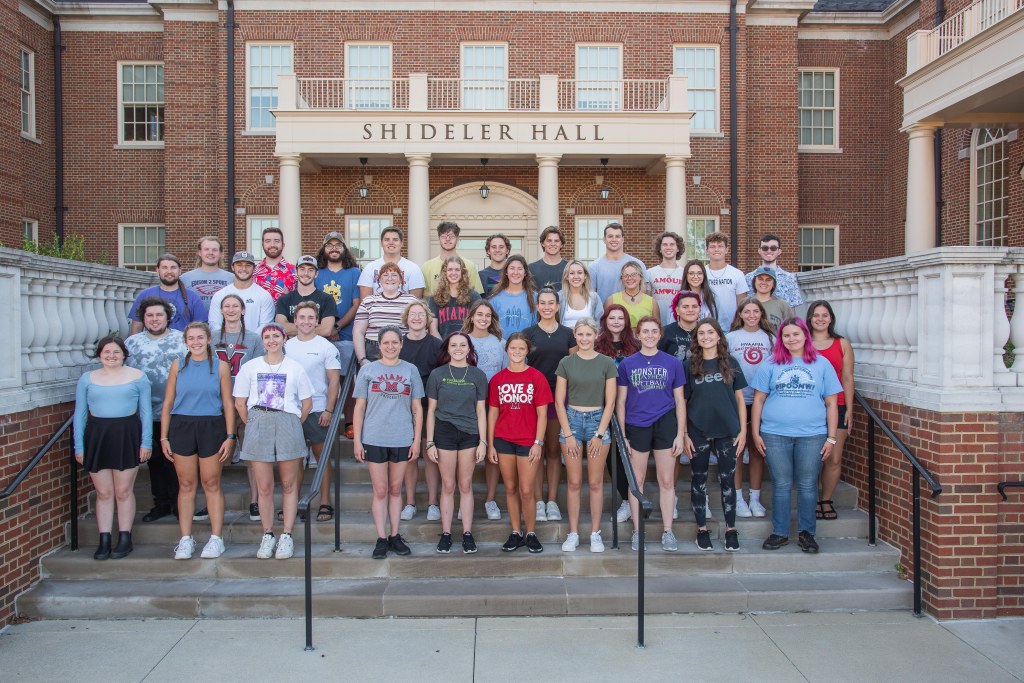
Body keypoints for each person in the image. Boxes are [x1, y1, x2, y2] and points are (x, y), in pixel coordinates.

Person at [751, 317, 842, 554]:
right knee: (781, 484)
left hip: (812, 435)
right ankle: (780, 532)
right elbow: (758, 399)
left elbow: (832, 403)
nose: (791, 339)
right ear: (781, 339)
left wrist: (832, 437)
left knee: (807, 484)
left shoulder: (821, 364)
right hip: (774, 434)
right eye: (786, 335)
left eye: (796, 334)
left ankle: (806, 533)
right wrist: (755, 432)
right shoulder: (770, 364)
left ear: (805, 336)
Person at [233, 323, 314, 560]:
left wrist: (293, 422)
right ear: (262, 341)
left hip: (288, 420)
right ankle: (267, 534)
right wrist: (254, 423)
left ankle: (286, 535)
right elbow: (240, 402)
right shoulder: (250, 367)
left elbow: (306, 402)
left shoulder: (295, 367)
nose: (271, 340)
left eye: (276, 336)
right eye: (267, 337)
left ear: (283, 339)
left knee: (289, 484)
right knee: (264, 486)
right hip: (258, 420)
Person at [160, 322, 234, 560]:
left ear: (209, 339)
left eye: (200, 337)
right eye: (191, 338)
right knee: (186, 484)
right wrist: (164, 436)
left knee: (211, 482)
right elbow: (168, 403)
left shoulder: (221, 367)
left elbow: (228, 404)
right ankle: (185, 539)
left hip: (211, 425)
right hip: (182, 426)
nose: (196, 342)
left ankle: (216, 538)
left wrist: (230, 435)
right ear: (186, 341)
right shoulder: (177, 366)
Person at [74, 336, 152, 560]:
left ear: (124, 354)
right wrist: (80, 446)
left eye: (116, 352)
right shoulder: (87, 379)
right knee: (104, 492)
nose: (111, 356)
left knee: (123, 490)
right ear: (99, 355)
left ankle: (125, 537)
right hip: (97, 435)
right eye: (106, 352)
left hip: (127, 433)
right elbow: (79, 415)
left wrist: (146, 443)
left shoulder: (138, 377)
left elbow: (145, 413)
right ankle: (104, 538)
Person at [616, 316, 690, 552]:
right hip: (637, 424)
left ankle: (668, 531)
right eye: (645, 331)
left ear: (660, 335)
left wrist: (680, 433)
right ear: (638, 335)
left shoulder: (672, 363)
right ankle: (638, 531)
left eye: (653, 331)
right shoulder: (628, 363)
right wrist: (623, 435)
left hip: (665, 422)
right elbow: (621, 401)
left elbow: (680, 400)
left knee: (666, 480)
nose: (649, 335)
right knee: (636, 480)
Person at [352, 326, 424, 559]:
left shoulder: (410, 370)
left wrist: (416, 440)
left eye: (395, 342)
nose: (391, 346)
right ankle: (381, 537)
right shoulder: (368, 371)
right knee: (381, 489)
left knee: (395, 488)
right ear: (379, 345)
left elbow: (417, 409)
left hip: (402, 436)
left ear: (401, 344)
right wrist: (357, 441)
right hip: (374, 436)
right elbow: (360, 407)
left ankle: (395, 535)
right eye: (386, 343)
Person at [684, 318, 747, 552]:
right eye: (701, 333)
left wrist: (743, 431)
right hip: (698, 430)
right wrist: (683, 433)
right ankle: (702, 529)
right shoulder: (688, 365)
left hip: (728, 430)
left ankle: (731, 529)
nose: (706, 336)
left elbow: (740, 400)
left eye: (711, 332)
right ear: (696, 338)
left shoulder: (731, 363)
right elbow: (683, 400)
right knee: (698, 479)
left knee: (727, 480)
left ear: (719, 336)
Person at [554, 318, 616, 553]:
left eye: (588, 335)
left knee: (595, 482)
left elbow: (610, 402)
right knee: (574, 482)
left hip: (597, 422)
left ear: (596, 336)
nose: (584, 339)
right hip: (571, 420)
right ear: (576, 336)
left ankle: (595, 533)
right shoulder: (566, 362)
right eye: (580, 335)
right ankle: (573, 533)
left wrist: (600, 434)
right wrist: (568, 434)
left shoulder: (606, 362)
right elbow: (559, 402)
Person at [488, 332, 552, 554]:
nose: (516, 352)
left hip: (528, 440)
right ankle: (516, 532)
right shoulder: (497, 379)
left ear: (527, 351)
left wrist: (538, 442)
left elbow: (542, 415)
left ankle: (531, 533)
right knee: (511, 487)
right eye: (513, 348)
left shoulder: (537, 377)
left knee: (526, 489)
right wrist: (490, 443)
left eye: (521, 349)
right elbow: (493, 414)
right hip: (504, 439)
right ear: (507, 351)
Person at [425, 332, 488, 554]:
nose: (458, 348)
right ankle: (446, 533)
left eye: (463, 345)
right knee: (448, 485)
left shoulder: (478, 375)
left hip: (470, 432)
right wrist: (430, 442)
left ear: (469, 349)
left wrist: (483, 441)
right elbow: (431, 411)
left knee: (465, 484)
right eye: (454, 345)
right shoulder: (437, 375)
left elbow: (481, 411)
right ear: (448, 349)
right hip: (445, 432)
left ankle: (467, 534)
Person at [125, 298, 184, 524]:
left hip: (176, 412)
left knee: (176, 460)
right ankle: (161, 504)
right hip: (145, 414)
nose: (154, 319)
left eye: (159, 315)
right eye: (149, 316)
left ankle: (180, 504)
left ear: (167, 317)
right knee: (155, 460)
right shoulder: (132, 344)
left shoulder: (181, 341)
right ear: (143, 318)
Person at [209, 293, 265, 521]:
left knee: (251, 454)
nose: (231, 310)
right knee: (214, 455)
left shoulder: (253, 339)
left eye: (235, 306)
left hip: (245, 402)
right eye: (226, 306)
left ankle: (255, 500)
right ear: (221, 310)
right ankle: (212, 499)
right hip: (217, 403)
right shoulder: (211, 338)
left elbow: (260, 371)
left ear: (243, 311)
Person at [285, 302, 342, 522]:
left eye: (311, 317)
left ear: (317, 321)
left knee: (322, 458)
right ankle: (294, 502)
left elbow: (334, 380)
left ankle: (325, 502)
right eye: (302, 317)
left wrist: (329, 409)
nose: (307, 321)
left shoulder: (326, 347)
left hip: (318, 410)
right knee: (294, 459)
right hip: (291, 411)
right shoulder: (286, 346)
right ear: (295, 321)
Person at [525, 288, 576, 523]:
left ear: (557, 306)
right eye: (542, 303)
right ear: (537, 306)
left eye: (550, 303)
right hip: (533, 398)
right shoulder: (527, 334)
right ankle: (537, 501)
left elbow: (575, 367)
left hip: (559, 397)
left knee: (554, 450)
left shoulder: (568, 334)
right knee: (536, 449)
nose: (546, 307)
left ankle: (552, 501)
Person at [807, 300, 855, 522]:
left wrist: (850, 409)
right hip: (809, 404)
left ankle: (825, 499)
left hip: (838, 403)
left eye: (824, 315)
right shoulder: (802, 341)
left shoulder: (841, 343)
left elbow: (847, 377)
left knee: (834, 458)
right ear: (810, 318)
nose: (820, 319)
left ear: (831, 318)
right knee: (811, 456)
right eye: (816, 315)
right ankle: (809, 497)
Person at [727, 297, 774, 519]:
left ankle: (754, 498)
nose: (752, 315)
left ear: (762, 314)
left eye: (756, 311)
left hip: (762, 401)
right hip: (737, 400)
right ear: (741, 314)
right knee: (737, 450)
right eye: (748, 311)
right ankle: (738, 499)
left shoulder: (771, 339)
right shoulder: (730, 338)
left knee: (757, 451)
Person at [595, 304, 640, 524]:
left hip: (633, 406)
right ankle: (625, 499)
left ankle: (636, 497)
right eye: (611, 318)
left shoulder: (636, 346)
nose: (615, 322)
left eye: (620, 318)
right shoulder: (597, 346)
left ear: (626, 321)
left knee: (632, 454)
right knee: (613, 457)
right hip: (604, 408)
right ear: (605, 320)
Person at [399, 301, 443, 523]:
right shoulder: (399, 344)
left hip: (429, 404)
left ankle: (434, 503)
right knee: (409, 455)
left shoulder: (436, 345)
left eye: (421, 314)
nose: (416, 318)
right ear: (406, 319)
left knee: (429, 453)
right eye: (412, 314)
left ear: (428, 319)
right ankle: (410, 502)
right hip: (403, 405)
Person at [462, 299, 506, 520]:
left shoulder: (500, 342)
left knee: (491, 451)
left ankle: (490, 499)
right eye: (480, 314)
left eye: (488, 315)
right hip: (466, 403)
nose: (483, 319)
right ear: (471, 316)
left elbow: (508, 373)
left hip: (494, 404)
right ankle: (463, 499)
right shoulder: (462, 341)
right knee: (467, 452)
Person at [315, 231, 362, 372]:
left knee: (346, 380)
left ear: (344, 249)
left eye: (338, 245)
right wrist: (327, 329)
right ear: (324, 249)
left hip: (346, 336)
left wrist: (337, 326)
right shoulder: (316, 272)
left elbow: (356, 304)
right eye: (329, 245)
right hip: (319, 336)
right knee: (321, 378)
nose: (334, 248)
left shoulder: (355, 273)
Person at [353, 263, 416, 365]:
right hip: (373, 351)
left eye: (394, 275)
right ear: (379, 280)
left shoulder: (411, 301)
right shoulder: (368, 301)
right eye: (385, 275)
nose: (390, 278)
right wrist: (362, 359)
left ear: (401, 280)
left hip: (402, 351)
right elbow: (358, 332)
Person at [128, 254, 207, 334]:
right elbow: (137, 327)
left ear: (179, 270)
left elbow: (201, 328)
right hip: (152, 345)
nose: (169, 271)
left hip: (182, 345)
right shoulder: (145, 295)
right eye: (164, 268)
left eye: (173, 267)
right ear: (158, 270)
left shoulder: (192, 297)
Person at [208, 251, 277, 333]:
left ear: (254, 268)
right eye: (239, 265)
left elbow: (265, 326)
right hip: (226, 344)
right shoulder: (220, 295)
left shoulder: (264, 295)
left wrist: (250, 342)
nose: (243, 269)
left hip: (254, 344)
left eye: (248, 265)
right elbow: (214, 324)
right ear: (233, 267)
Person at [275, 255, 339, 338]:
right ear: (296, 271)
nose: (306, 273)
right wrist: (314, 328)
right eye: (302, 269)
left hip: (318, 348)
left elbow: (326, 330)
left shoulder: (327, 299)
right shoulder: (284, 300)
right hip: (292, 348)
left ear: (316, 274)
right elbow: (281, 328)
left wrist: (292, 329)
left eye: (310, 270)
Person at [357, 226, 426, 298]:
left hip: (405, 309)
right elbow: (365, 302)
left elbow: (416, 302)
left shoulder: (413, 268)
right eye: (386, 240)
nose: (391, 243)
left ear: (402, 243)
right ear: (381, 243)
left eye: (395, 240)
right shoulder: (370, 268)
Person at [588, 222, 648, 303]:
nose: (614, 239)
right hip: (604, 314)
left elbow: (644, 293)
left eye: (618, 236)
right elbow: (591, 298)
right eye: (610, 236)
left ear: (623, 239)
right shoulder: (593, 267)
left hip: (632, 314)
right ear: (604, 239)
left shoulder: (638, 264)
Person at [421, 222, 484, 296]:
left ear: (457, 238)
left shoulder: (469, 265)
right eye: (444, 236)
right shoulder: (427, 267)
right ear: (439, 238)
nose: (447, 239)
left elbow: (477, 297)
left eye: (451, 236)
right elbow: (424, 297)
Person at [745, 233, 804, 309]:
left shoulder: (789, 279)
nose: (769, 251)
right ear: (759, 250)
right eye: (765, 248)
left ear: (779, 251)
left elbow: (791, 311)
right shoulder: (748, 278)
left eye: (773, 248)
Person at [428, 255, 481, 338]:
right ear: (445, 272)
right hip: (442, 347)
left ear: (462, 272)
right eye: (450, 270)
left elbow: (478, 326)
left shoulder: (473, 296)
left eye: (457, 270)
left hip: (467, 347)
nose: (453, 273)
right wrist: (443, 348)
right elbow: (433, 330)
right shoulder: (435, 298)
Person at [703, 232, 749, 328]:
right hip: (705, 327)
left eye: (720, 246)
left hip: (731, 328)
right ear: (707, 250)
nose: (716, 249)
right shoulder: (701, 273)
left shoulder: (737, 274)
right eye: (712, 246)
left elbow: (742, 304)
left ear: (726, 250)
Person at [488, 255, 538, 335]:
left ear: (525, 273)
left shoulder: (534, 297)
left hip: (526, 345)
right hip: (502, 346)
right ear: (506, 272)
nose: (516, 272)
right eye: (512, 268)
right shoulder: (495, 299)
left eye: (520, 269)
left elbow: (537, 326)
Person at [181, 236, 233, 309]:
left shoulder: (232, 278)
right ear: (200, 252)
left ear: (220, 253)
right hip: (195, 320)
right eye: (206, 249)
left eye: (214, 250)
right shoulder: (185, 278)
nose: (210, 253)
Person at [646, 232, 685, 327]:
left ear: (678, 248)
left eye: (672, 244)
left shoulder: (684, 273)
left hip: (679, 324)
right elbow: (646, 299)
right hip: (656, 324)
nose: (668, 247)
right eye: (665, 244)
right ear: (660, 249)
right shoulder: (650, 272)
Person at [606, 261, 658, 330]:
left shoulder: (651, 302)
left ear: (641, 277)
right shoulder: (611, 300)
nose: (629, 278)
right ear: (622, 279)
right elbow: (605, 327)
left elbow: (657, 328)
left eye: (634, 274)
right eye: (625, 275)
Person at [253, 226, 296, 302]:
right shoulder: (253, 271)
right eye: (268, 241)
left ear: (283, 245)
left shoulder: (294, 271)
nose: (272, 245)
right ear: (262, 245)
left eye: (276, 241)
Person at [660, 291, 702, 364]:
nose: (690, 310)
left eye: (694, 306)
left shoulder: (706, 331)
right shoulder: (665, 332)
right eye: (685, 307)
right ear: (677, 310)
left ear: (699, 309)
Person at [559, 258, 603, 328]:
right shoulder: (559, 297)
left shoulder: (594, 298)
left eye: (579, 273)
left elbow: (599, 324)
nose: (576, 276)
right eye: (572, 273)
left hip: (587, 338)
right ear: (567, 276)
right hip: (564, 338)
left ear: (585, 276)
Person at [749, 266, 794, 330]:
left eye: (768, 280)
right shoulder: (746, 303)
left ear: (773, 284)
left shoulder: (782, 305)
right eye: (760, 279)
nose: (764, 282)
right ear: (754, 281)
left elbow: (790, 329)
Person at [529, 226, 569, 291]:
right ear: (542, 243)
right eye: (549, 241)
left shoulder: (569, 268)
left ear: (562, 244)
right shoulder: (531, 269)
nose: (553, 244)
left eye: (556, 241)